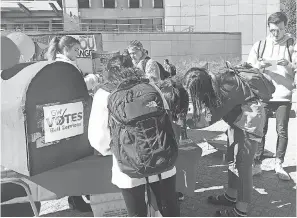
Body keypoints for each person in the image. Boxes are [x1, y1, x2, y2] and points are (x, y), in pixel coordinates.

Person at [88, 54, 180, 217]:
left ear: (109, 71)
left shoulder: (104, 94)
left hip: (129, 164)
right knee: (169, 208)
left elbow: (98, 139)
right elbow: (167, 117)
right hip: (161, 158)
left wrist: (114, 150)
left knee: (137, 212)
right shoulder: (150, 85)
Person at [184, 66, 267, 216]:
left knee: (243, 166)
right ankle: (231, 196)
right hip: (238, 119)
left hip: (249, 122)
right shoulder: (215, 81)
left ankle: (241, 209)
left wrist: (183, 120)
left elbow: (208, 119)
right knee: (233, 159)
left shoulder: (226, 88)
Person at [247, 12, 295, 180]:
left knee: (282, 130)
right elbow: (250, 68)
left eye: (280, 30)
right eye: (273, 30)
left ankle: (279, 164)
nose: (277, 34)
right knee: (261, 129)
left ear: (285, 27)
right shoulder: (260, 45)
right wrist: (259, 65)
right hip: (265, 94)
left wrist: (288, 65)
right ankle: (257, 163)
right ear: (268, 28)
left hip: (283, 95)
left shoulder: (292, 44)